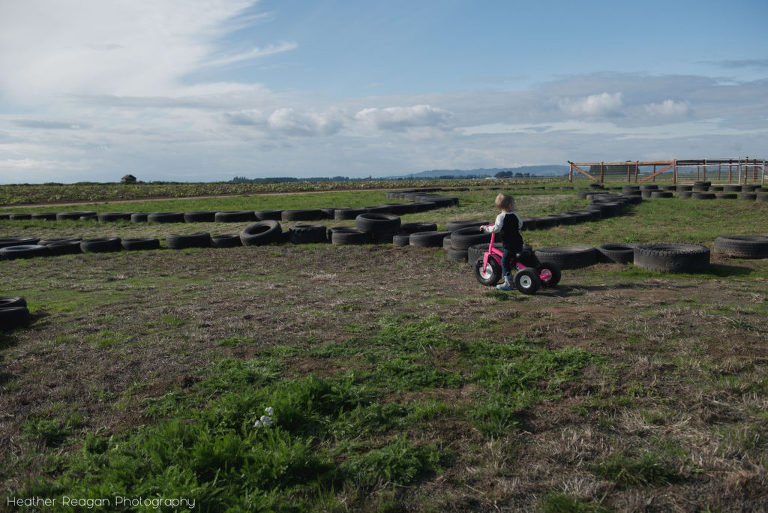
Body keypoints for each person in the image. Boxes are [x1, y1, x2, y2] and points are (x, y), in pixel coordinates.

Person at [481, 193, 523, 291]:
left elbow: (496, 228)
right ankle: (519, 273)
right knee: (514, 259)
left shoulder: (500, 217)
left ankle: (508, 283)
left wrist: (485, 229)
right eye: (513, 203)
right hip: (518, 241)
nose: (514, 205)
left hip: (509, 244)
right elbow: (520, 224)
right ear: (509, 205)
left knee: (504, 262)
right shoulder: (515, 215)